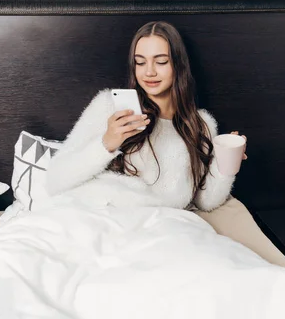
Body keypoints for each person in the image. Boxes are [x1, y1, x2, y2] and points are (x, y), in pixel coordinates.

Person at [45, 21, 247, 212]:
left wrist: (227, 163)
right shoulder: (110, 106)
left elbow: (206, 202)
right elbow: (55, 180)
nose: (149, 72)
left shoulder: (199, 125)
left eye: (160, 62)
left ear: (178, 65)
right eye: (140, 63)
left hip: (157, 224)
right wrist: (107, 144)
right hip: (97, 212)